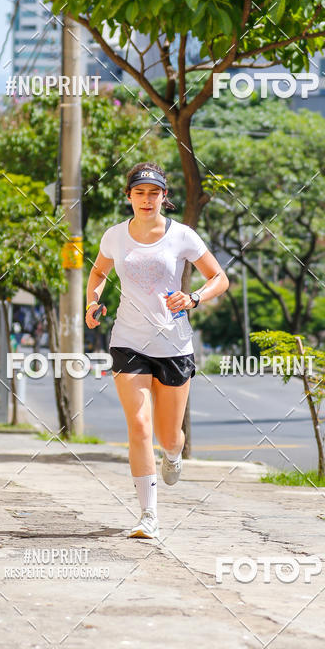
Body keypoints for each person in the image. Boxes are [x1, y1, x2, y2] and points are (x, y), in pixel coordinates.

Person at [85, 162, 229, 539]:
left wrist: (194, 297)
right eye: (139, 193)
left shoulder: (182, 236)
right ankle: (148, 516)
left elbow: (219, 277)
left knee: (169, 436)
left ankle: (173, 454)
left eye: (154, 193)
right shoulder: (114, 237)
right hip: (128, 341)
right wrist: (92, 302)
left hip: (174, 343)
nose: (146, 200)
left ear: (165, 197)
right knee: (139, 424)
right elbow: (99, 273)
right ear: (128, 196)